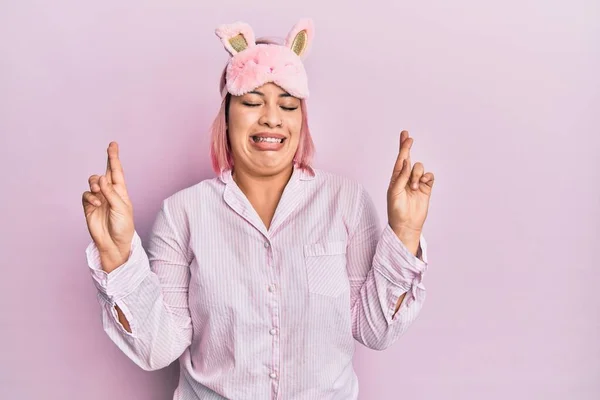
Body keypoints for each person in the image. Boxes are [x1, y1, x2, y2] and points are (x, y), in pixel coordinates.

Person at [81, 18, 435, 400]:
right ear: (227, 116)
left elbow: (375, 330)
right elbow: (158, 348)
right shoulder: (182, 213)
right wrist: (116, 257)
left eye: (288, 104)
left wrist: (405, 234)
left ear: (301, 120)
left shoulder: (347, 202)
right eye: (252, 102)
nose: (271, 117)